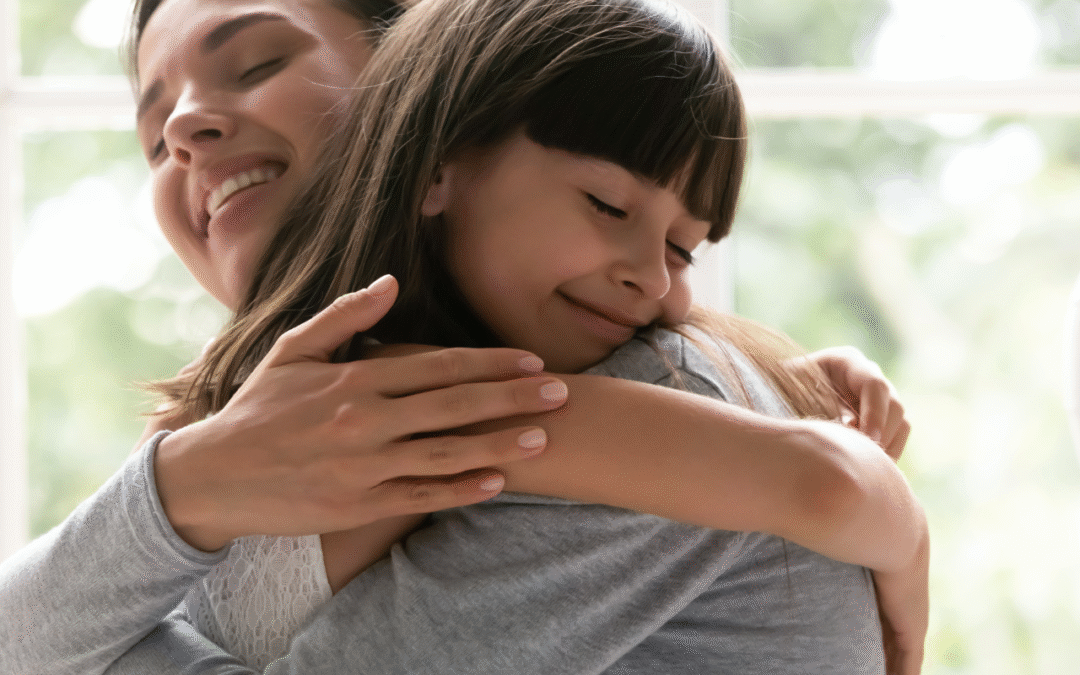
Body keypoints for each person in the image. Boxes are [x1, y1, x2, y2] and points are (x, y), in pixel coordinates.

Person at [0, 0, 924, 673]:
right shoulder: (259, 431)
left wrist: (874, 498)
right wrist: (184, 484)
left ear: (414, 89)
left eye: (255, 64)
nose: (184, 130)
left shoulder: (620, 406)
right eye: (154, 138)